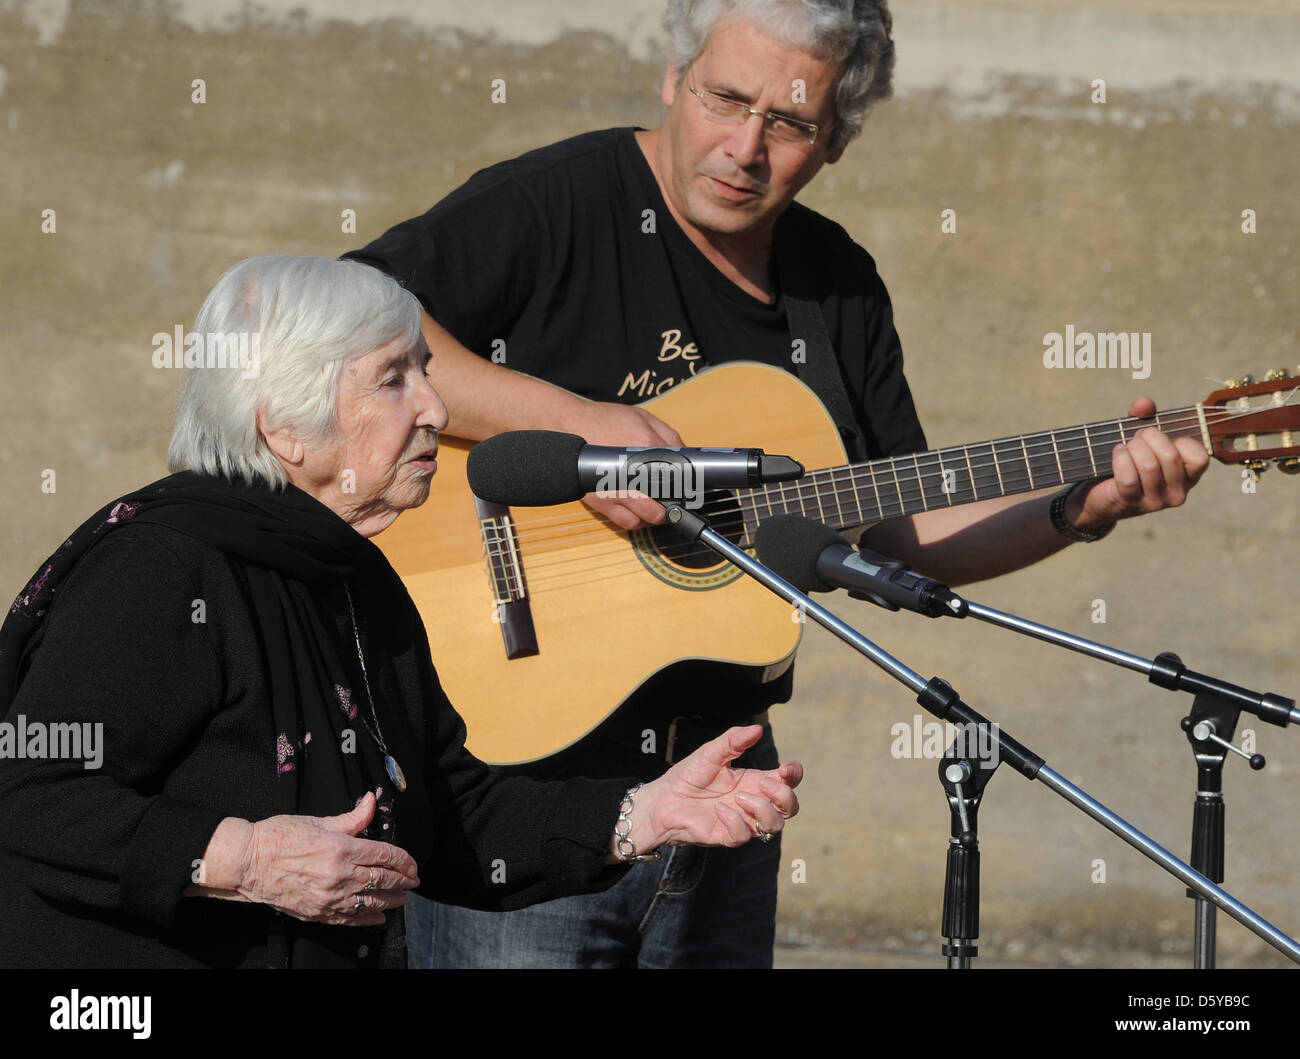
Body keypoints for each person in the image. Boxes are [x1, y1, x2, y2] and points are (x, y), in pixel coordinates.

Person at [343, 0, 1208, 968]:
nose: (743, 147)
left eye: (789, 123)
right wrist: (576, 427)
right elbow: (353, 323)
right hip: (519, 786)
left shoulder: (836, 285)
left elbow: (900, 531)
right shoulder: (559, 202)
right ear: (673, 78)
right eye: (723, 99)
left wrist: (1077, 510)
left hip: (731, 783)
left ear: (834, 141)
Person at [0, 255, 802, 969]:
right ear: (282, 422)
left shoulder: (354, 576)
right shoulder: (163, 567)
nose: (437, 410)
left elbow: (451, 816)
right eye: (394, 379)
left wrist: (642, 813)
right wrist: (242, 859)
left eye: (426, 372)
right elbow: (32, 792)